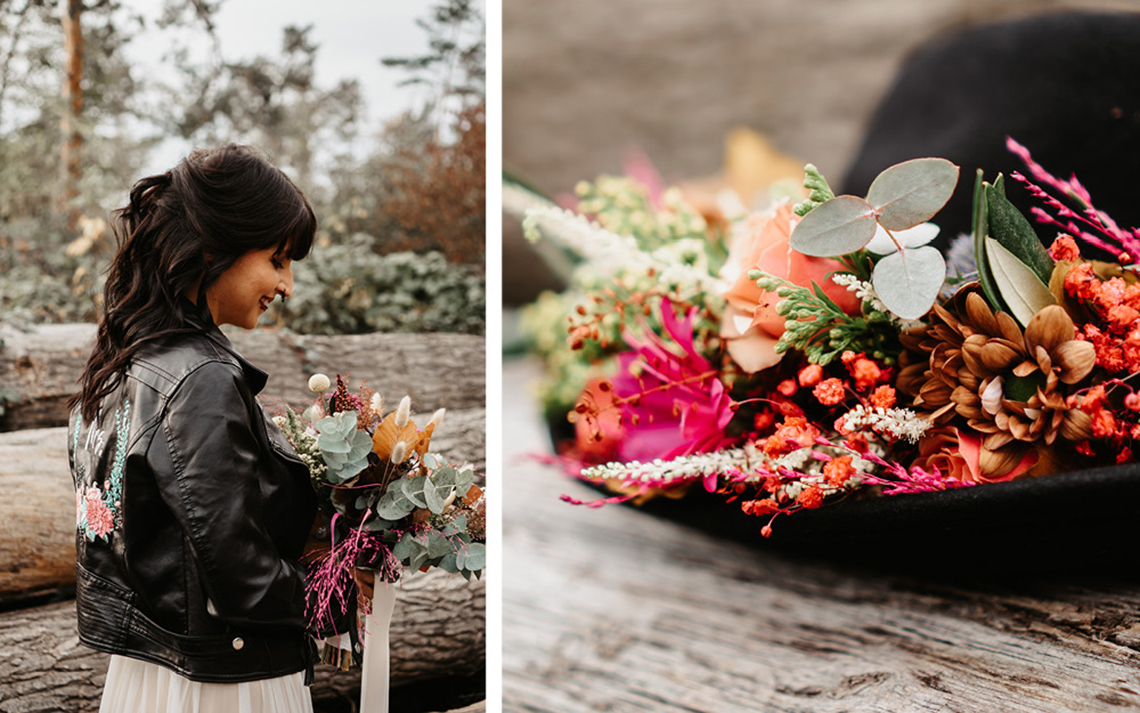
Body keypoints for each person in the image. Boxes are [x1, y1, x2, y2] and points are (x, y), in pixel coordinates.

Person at [68, 144, 327, 712]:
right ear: (217, 249)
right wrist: (329, 598)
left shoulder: (125, 359)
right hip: (225, 681)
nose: (287, 286)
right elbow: (241, 574)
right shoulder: (200, 377)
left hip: (150, 671)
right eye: (277, 260)